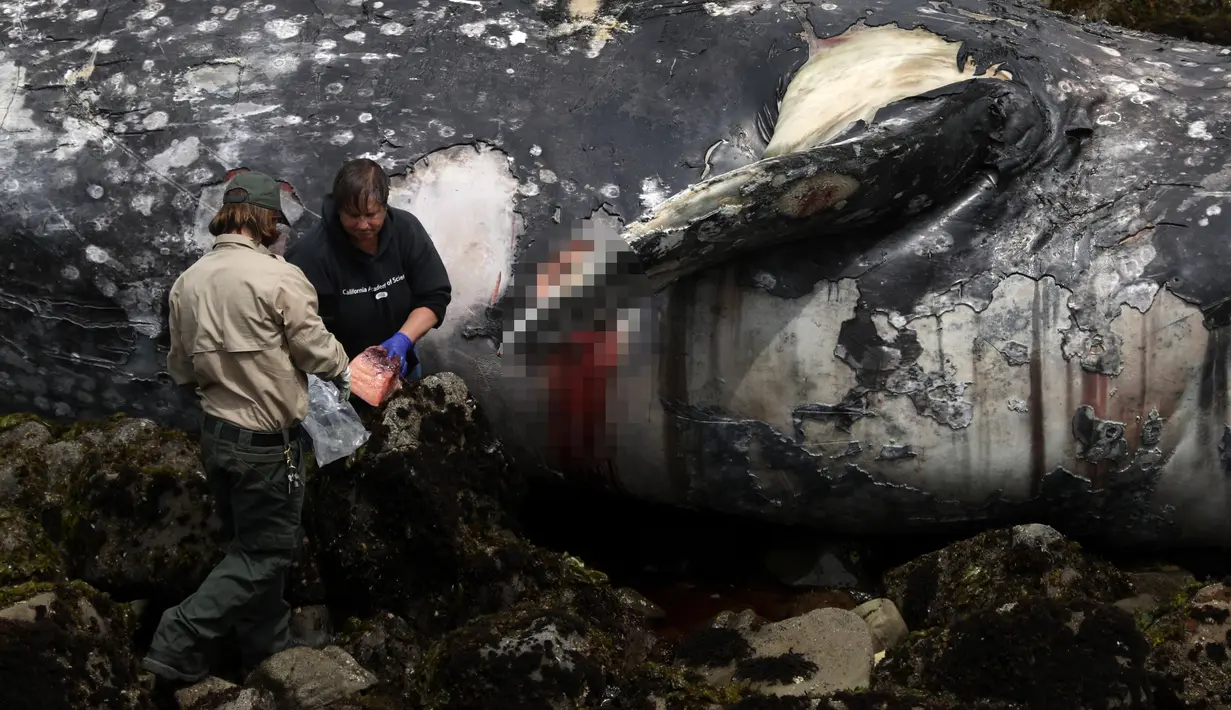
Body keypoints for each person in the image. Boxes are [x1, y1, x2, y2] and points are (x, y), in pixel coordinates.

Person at [142, 170, 353, 685]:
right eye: (279, 221)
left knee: (249, 548)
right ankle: (178, 636)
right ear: (265, 220)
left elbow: (180, 370)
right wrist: (348, 369)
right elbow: (316, 352)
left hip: (217, 438)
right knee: (267, 552)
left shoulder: (187, 282)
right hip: (266, 444)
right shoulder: (279, 277)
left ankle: (267, 648)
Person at [286, 158, 452, 398]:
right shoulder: (311, 255)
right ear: (338, 207)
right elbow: (303, 330)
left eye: (371, 214)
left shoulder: (406, 231)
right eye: (352, 215)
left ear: (385, 206)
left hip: (401, 367)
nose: (363, 225)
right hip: (342, 382)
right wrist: (344, 372)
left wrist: (403, 340)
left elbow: (434, 295)